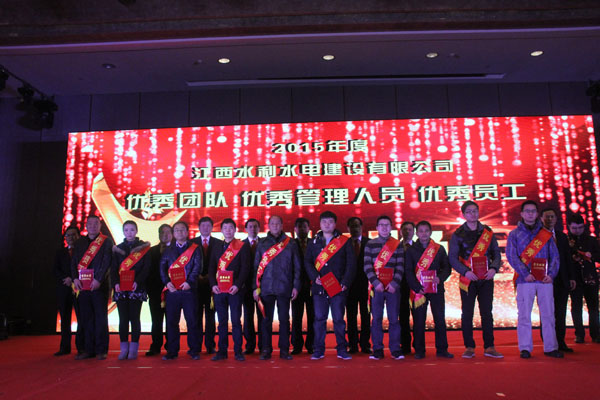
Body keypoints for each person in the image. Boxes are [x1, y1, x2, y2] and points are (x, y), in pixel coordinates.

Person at [506, 200, 563, 358]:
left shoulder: (546, 234)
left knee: (548, 314)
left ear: (537, 214)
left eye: (533, 211)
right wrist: (525, 273)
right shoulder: (514, 234)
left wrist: (551, 274)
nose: (530, 214)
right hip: (525, 280)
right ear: (522, 214)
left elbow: (555, 256)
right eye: (527, 211)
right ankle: (525, 348)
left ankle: (550, 347)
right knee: (524, 315)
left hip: (545, 280)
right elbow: (511, 256)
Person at [448, 200, 503, 359]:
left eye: (475, 211)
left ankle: (489, 347)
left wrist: (493, 268)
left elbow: (496, 253)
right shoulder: (458, 234)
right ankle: (469, 347)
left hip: (486, 278)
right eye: (469, 212)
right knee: (467, 313)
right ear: (464, 214)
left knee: (487, 313)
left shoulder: (487, 232)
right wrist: (465, 272)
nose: (472, 214)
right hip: (468, 279)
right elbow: (452, 258)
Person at [305, 211, 356, 360]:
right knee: (319, 319)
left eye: (330, 222)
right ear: (320, 224)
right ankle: (318, 350)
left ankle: (342, 349)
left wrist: (345, 282)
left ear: (335, 224)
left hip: (338, 287)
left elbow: (351, 264)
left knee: (339, 319)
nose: (327, 225)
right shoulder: (313, 242)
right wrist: (314, 277)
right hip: (320, 286)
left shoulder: (344, 241)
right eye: (324, 222)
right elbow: (307, 262)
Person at [253, 215, 301, 360]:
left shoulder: (291, 243)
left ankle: (284, 350)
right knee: (265, 320)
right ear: (268, 225)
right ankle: (266, 349)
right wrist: (255, 287)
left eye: (277, 223)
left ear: (282, 225)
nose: (275, 226)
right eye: (272, 223)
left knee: (284, 320)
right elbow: (256, 267)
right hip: (266, 287)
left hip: (285, 287)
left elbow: (297, 267)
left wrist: (296, 286)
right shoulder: (262, 243)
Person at [405, 221, 453, 359]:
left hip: (436, 289)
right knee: (419, 321)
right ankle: (419, 350)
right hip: (419, 291)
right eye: (421, 231)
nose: (424, 234)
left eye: (426, 231)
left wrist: (440, 278)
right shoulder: (411, 250)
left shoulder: (439, 249)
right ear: (416, 233)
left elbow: (447, 268)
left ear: (431, 232)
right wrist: (416, 287)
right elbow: (408, 271)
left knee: (439, 319)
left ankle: (442, 349)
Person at [71, 215, 113, 360]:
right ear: (86, 226)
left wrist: (98, 279)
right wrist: (75, 278)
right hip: (83, 286)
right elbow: (74, 262)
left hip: (99, 286)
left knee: (101, 318)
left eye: (96, 223)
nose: (93, 226)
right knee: (86, 318)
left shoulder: (106, 241)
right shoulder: (80, 242)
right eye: (90, 223)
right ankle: (88, 349)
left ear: (100, 225)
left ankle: (101, 350)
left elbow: (107, 261)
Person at [209, 219, 251, 361]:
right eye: (225, 228)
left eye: (231, 228)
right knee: (222, 322)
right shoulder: (216, 247)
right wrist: (213, 285)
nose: (228, 230)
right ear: (221, 230)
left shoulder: (242, 246)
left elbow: (245, 268)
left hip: (235, 291)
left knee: (236, 321)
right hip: (219, 290)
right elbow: (211, 268)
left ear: (235, 230)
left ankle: (238, 351)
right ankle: (222, 351)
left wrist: (237, 285)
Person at [363, 215, 404, 360]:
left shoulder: (397, 244)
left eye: (387, 225)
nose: (384, 227)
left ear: (391, 227)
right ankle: (377, 349)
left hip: (393, 288)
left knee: (394, 319)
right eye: (382, 225)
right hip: (377, 288)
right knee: (376, 319)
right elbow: (367, 266)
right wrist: (376, 283)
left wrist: (394, 283)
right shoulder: (370, 244)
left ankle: (395, 349)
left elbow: (400, 266)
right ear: (377, 228)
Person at [160, 221, 203, 360]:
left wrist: (189, 282)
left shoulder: (195, 249)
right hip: (172, 292)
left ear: (187, 232)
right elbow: (162, 268)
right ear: (173, 233)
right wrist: (167, 283)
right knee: (172, 322)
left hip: (189, 291)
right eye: (177, 230)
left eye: (182, 230)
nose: (179, 232)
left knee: (192, 321)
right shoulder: (168, 249)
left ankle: (194, 350)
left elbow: (197, 267)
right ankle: (172, 351)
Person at [110, 220, 151, 360]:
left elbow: (146, 268)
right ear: (123, 232)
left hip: (136, 288)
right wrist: (115, 283)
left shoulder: (143, 248)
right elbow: (113, 268)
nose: (129, 232)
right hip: (120, 288)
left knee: (134, 318)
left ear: (136, 231)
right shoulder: (117, 249)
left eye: (132, 229)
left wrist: (137, 282)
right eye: (126, 230)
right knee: (123, 319)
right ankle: (123, 349)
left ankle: (133, 349)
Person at [541, 208, 576, 352]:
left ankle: (561, 342)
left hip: (561, 279)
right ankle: (548, 343)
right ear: (541, 219)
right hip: (544, 280)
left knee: (561, 312)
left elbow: (567, 258)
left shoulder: (562, 236)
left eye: (552, 216)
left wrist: (571, 277)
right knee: (547, 312)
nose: (550, 219)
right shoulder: (537, 237)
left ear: (556, 219)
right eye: (547, 217)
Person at [567, 213, 600, 344]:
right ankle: (579, 334)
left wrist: (591, 256)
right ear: (569, 227)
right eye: (574, 228)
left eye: (580, 227)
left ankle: (596, 334)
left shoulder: (591, 240)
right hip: (574, 279)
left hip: (590, 277)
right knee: (576, 307)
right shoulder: (565, 241)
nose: (577, 230)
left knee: (593, 307)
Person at [192, 216, 222, 354]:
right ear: (199, 227)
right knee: (196, 316)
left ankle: (210, 345)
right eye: (203, 225)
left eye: (208, 226)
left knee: (211, 317)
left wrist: (211, 277)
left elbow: (221, 263)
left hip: (213, 286)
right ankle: (196, 346)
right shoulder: (191, 243)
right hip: (195, 285)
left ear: (212, 227)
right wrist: (195, 276)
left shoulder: (219, 243)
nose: (205, 228)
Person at [145, 224, 172, 356]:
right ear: (158, 234)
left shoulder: (176, 250)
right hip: (155, 292)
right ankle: (156, 346)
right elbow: (147, 271)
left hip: (172, 291)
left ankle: (171, 346)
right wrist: (149, 290)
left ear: (172, 234)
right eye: (162, 232)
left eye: (167, 232)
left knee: (171, 321)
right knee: (156, 320)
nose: (165, 235)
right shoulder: (151, 251)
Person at [53, 226, 80, 356]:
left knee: (82, 318)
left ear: (78, 236)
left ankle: (82, 347)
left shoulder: (83, 252)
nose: (71, 237)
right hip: (64, 288)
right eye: (68, 235)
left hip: (79, 288)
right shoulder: (60, 252)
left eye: (73, 235)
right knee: (65, 318)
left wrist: (74, 279)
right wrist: (66, 279)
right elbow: (55, 269)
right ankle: (64, 347)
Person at [346, 216, 371, 355]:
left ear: (362, 227)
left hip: (367, 286)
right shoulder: (344, 244)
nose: (355, 228)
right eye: (352, 226)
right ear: (348, 228)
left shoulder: (369, 243)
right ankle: (353, 345)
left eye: (357, 225)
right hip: (349, 286)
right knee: (351, 316)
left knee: (366, 315)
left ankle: (365, 344)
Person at [291, 217, 315, 355]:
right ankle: (297, 345)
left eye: (304, 227)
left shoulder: (314, 243)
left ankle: (311, 345)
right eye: (299, 227)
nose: (302, 229)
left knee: (313, 316)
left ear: (308, 228)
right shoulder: (290, 244)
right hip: (296, 287)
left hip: (313, 286)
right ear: (295, 229)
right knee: (296, 317)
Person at [242, 218, 263, 354]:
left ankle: (263, 345)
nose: (253, 229)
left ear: (259, 229)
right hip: (246, 287)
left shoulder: (265, 244)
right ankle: (249, 345)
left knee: (262, 316)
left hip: (262, 286)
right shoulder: (240, 245)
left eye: (255, 226)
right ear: (246, 229)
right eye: (250, 226)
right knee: (248, 316)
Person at [398, 221, 415, 354]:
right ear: (400, 232)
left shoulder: (419, 247)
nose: (407, 232)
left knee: (418, 317)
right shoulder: (395, 247)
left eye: (410, 229)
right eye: (404, 229)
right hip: (400, 286)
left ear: (414, 232)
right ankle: (405, 346)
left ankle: (418, 345)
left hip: (416, 287)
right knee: (403, 317)